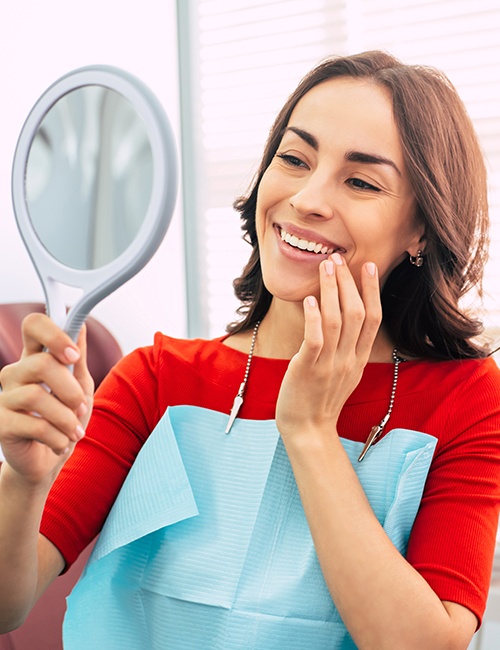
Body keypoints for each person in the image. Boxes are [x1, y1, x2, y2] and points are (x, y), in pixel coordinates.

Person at [0, 50, 499, 649]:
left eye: (361, 180)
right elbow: (9, 604)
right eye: (294, 158)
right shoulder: (156, 379)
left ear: (421, 228)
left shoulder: (467, 399)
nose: (309, 198)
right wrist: (24, 483)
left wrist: (311, 429)